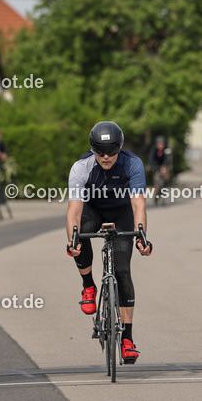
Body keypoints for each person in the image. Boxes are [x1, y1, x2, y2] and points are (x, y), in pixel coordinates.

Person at [66, 121, 152, 364]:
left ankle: (127, 339)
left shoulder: (132, 163)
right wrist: (72, 239)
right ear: (92, 148)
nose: (105, 157)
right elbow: (74, 210)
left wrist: (142, 236)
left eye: (111, 152)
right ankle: (88, 285)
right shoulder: (81, 167)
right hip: (92, 211)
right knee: (80, 234)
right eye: (99, 151)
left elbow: (138, 205)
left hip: (121, 213)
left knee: (123, 270)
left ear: (120, 148)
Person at [149, 136, 171, 206]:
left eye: (161, 144)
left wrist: (165, 166)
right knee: (156, 178)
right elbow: (150, 157)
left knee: (165, 173)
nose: (160, 146)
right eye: (159, 144)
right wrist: (149, 165)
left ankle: (165, 184)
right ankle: (157, 192)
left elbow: (167, 159)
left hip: (164, 165)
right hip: (157, 165)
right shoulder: (154, 149)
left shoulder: (167, 149)